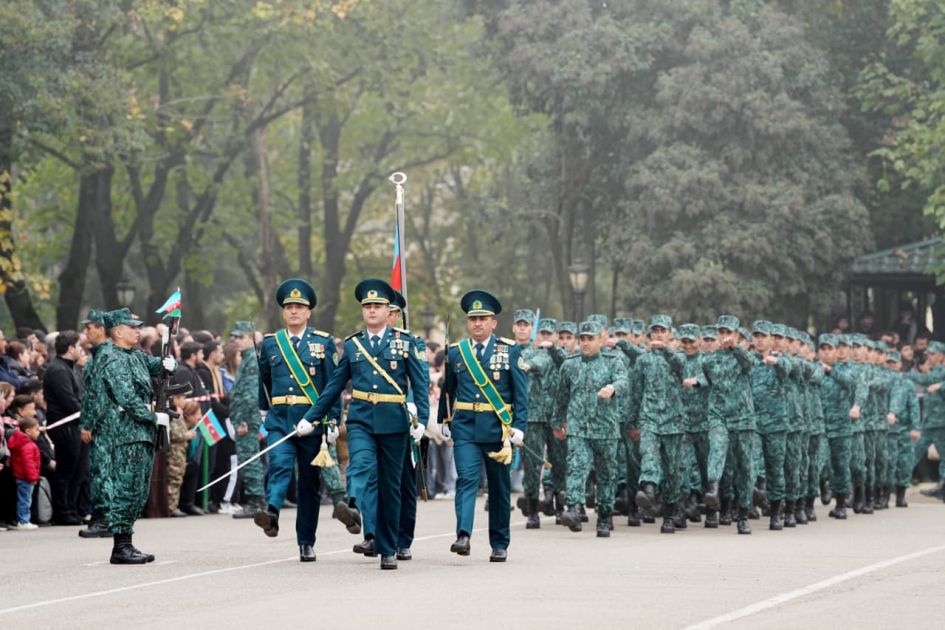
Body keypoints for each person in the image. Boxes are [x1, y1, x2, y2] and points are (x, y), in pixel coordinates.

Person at [301, 279, 429, 570]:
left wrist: (421, 419)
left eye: (377, 306)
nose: (372, 310)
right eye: (367, 306)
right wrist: (311, 417)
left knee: (390, 488)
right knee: (359, 462)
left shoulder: (405, 342)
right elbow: (334, 386)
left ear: (387, 310)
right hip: (360, 418)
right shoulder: (352, 344)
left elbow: (420, 384)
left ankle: (388, 549)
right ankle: (353, 504)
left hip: (394, 422)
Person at [253, 279, 342, 564]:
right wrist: (264, 410)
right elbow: (265, 380)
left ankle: (306, 542)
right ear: (283, 311)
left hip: (311, 422)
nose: (293, 311)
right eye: (289, 307)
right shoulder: (271, 343)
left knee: (309, 483)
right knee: (279, 465)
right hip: (280, 419)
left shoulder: (323, 342)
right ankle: (272, 512)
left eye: (299, 307)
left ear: (308, 312)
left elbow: (332, 385)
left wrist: (332, 419)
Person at [438, 290, 527, 562]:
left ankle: (499, 542)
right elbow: (448, 389)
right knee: (466, 479)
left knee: (498, 487)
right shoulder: (456, 352)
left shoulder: (509, 350)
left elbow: (521, 393)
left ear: (493, 323)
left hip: (497, 430)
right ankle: (463, 535)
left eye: (483, 319)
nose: (477, 323)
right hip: (465, 427)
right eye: (473, 319)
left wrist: (519, 426)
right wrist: (444, 419)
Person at [96, 308, 176, 564]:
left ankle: (127, 543)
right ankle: (120, 547)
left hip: (141, 431)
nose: (137, 330)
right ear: (118, 332)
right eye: (132, 327)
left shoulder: (136, 355)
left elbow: (156, 365)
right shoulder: (112, 359)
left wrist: (169, 363)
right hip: (126, 431)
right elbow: (127, 398)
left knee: (139, 490)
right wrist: (153, 417)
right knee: (127, 488)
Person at [555, 320, 628, 537]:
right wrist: (557, 423)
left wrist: (612, 388)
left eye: (590, 338)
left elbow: (624, 381)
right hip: (578, 428)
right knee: (576, 466)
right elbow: (561, 397)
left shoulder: (613, 361)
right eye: (583, 339)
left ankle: (604, 516)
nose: (585, 343)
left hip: (605, 429)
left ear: (601, 340)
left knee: (607, 474)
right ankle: (574, 508)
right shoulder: (570, 364)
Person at [634, 315, 686, 534]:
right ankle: (648, 488)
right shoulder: (643, 360)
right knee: (648, 454)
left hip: (674, 422)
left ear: (670, 334)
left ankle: (670, 514)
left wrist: (666, 350)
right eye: (655, 331)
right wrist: (634, 421)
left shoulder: (678, 357)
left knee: (672, 471)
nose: (658, 334)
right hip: (650, 418)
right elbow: (636, 391)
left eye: (662, 331)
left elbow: (682, 368)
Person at [43, 330, 86, 526]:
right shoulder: (58, 370)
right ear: (70, 348)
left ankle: (72, 508)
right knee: (66, 471)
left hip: (76, 425)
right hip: (65, 426)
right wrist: (88, 414)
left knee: (78, 471)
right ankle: (63, 511)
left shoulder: (70, 368)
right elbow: (69, 401)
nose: (81, 350)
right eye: (78, 346)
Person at [78, 309, 112, 539]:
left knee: (103, 471)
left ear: (101, 329)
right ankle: (102, 515)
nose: (86, 332)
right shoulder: (97, 355)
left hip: (104, 424)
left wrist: (88, 424)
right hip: (102, 423)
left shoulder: (105, 355)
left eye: (89, 327)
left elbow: (100, 396)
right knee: (99, 470)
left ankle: (106, 518)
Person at [229, 322, 267, 520]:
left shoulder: (252, 359)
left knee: (250, 459)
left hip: (247, 419)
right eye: (234, 337)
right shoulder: (247, 358)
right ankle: (256, 500)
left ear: (251, 338)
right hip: (244, 417)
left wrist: (243, 421)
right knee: (248, 459)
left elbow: (251, 394)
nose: (236, 340)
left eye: (241, 337)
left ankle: (256, 502)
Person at [8, 416, 41, 529]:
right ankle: (23, 521)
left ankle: (23, 519)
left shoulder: (21, 443)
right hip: (26, 478)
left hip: (20, 476)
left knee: (23, 499)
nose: (38, 432)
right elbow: (28, 464)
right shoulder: (27, 445)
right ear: (28, 431)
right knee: (25, 500)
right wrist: (33, 478)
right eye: (36, 429)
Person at [168, 398, 198, 518]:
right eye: (182, 398)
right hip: (174, 452)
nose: (184, 401)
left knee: (178, 479)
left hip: (180, 452)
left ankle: (174, 506)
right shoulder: (173, 413)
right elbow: (173, 434)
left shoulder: (179, 412)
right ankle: (170, 507)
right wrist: (187, 435)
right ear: (175, 399)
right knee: (174, 479)